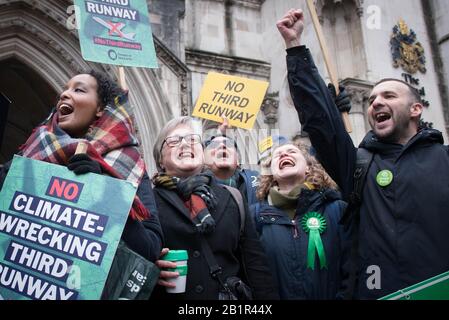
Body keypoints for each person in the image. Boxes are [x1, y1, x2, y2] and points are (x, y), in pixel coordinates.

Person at [277, 8, 449, 299]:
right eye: (371, 100)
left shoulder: (444, 160)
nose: (376, 103)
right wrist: (295, 49)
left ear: (416, 109)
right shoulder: (358, 165)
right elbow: (321, 123)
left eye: (388, 96)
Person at [0, 71, 163, 275]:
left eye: (78, 89)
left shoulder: (127, 165)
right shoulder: (30, 154)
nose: (64, 94)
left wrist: (104, 187)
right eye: (65, 89)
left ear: (100, 108)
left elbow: (150, 249)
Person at [151, 116, 279, 300]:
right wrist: (150, 270)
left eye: (192, 139)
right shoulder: (146, 201)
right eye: (173, 141)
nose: (185, 144)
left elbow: (255, 266)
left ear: (203, 154)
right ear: (160, 160)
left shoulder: (233, 197)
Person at [252, 137, 348, 299]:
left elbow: (352, 267)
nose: (283, 155)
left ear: (309, 168)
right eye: (277, 155)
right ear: (272, 173)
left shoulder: (336, 208)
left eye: (291, 152)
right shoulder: (255, 216)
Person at [203, 118, 259, 206]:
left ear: (238, 160)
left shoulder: (256, 182)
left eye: (229, 144)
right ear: (203, 159)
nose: (222, 145)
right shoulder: (191, 188)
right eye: (213, 145)